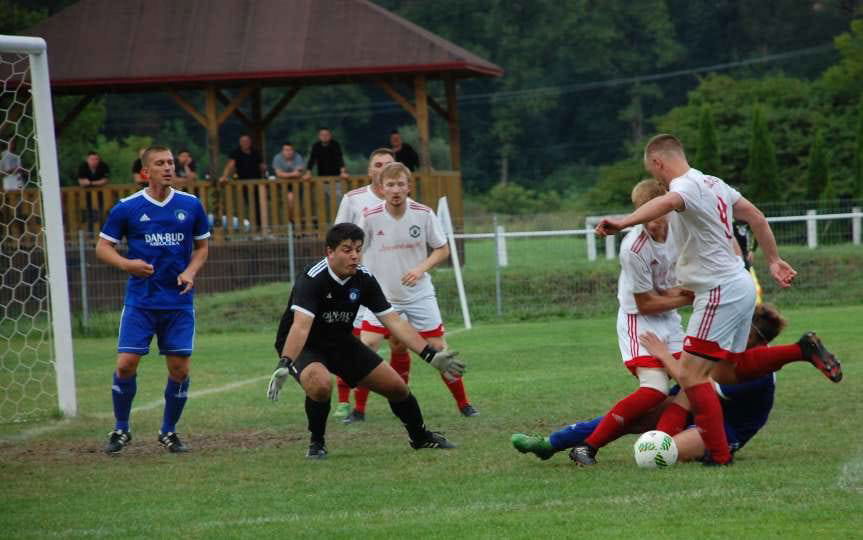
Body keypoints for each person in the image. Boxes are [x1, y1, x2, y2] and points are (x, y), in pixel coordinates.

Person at [593, 134, 796, 466]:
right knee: (726, 370)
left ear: (658, 162)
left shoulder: (684, 187)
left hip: (718, 290)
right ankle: (800, 350)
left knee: (691, 375)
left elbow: (669, 203)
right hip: (741, 283)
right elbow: (756, 217)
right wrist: (773, 259)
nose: (657, 179)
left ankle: (718, 454)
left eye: (653, 171)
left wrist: (624, 221)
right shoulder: (714, 183)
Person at [511, 304, 840, 463]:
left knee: (661, 457)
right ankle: (550, 444)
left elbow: (690, 387)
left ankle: (713, 453)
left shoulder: (755, 371)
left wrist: (662, 355)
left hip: (725, 429)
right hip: (693, 405)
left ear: (751, 336)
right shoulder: (725, 350)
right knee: (633, 417)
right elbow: (685, 394)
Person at [267, 223, 466, 459]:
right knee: (320, 384)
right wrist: (285, 362)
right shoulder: (313, 278)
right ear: (330, 252)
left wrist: (430, 354)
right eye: (347, 249)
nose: (354, 255)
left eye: (358, 249)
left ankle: (421, 438)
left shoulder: (364, 279)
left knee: (397, 388)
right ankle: (316, 443)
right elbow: (300, 326)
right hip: (304, 344)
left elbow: (394, 322)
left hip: (340, 341)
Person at [565, 179, 692, 465]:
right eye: (642, 213)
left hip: (669, 318)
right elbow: (646, 302)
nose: (650, 221)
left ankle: (665, 442)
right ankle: (587, 446)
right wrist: (690, 298)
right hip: (640, 320)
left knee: (694, 381)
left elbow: (673, 284)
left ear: (667, 207)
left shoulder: (681, 229)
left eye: (655, 213)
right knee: (655, 390)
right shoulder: (633, 248)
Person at [95, 145, 210, 454]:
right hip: (141, 302)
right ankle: (120, 428)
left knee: (179, 369)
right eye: (161, 163)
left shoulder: (191, 205)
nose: (169, 167)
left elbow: (202, 248)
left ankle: (168, 432)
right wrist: (127, 264)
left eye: (171, 162)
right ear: (146, 172)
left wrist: (190, 272)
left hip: (178, 302)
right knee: (126, 364)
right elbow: (102, 247)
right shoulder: (126, 207)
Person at [347, 162, 478, 423]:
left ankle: (465, 404)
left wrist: (420, 269)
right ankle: (358, 410)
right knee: (367, 347)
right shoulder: (369, 216)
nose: (395, 190)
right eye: (390, 185)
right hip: (381, 297)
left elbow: (442, 249)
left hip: (419, 295)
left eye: (400, 184)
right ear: (381, 189)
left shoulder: (424, 214)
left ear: (409, 187)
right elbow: (357, 251)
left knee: (438, 347)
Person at [331, 148, 394, 418]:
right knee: (352, 343)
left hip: (391, 284)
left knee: (398, 344)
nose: (383, 169)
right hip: (358, 283)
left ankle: (396, 396)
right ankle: (346, 402)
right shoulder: (354, 199)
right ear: (370, 171)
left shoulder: (400, 199)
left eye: (389, 165)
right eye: (378, 164)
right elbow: (337, 238)